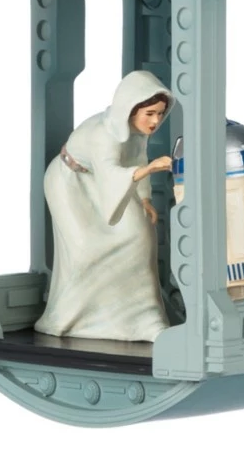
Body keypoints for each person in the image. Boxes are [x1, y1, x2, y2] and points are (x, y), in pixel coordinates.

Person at [34, 70, 175, 343]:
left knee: (139, 236)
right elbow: (111, 171)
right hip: (69, 182)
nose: (156, 121)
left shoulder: (137, 132)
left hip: (104, 182)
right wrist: (150, 169)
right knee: (85, 250)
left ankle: (143, 318)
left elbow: (135, 158)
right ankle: (66, 318)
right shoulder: (104, 135)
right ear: (130, 109)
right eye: (150, 113)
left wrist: (145, 199)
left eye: (160, 113)